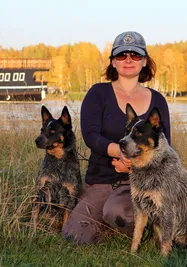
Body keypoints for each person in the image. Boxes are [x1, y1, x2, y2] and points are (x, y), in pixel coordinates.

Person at [62, 31, 171, 244]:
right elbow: (91, 136)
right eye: (121, 55)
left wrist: (132, 166)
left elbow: (166, 149)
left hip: (143, 184)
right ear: (113, 62)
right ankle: (111, 224)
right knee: (74, 236)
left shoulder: (157, 101)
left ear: (144, 61)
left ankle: (143, 225)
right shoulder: (98, 93)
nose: (128, 60)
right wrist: (119, 151)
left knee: (118, 214)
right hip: (101, 181)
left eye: (135, 55)